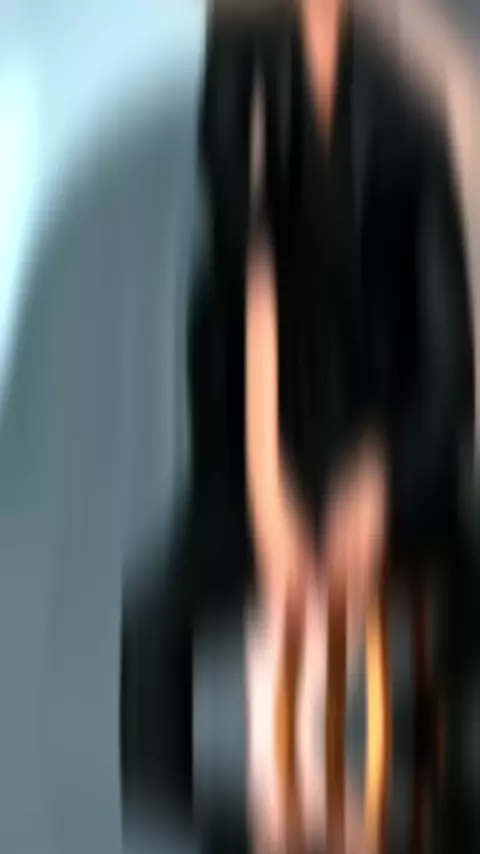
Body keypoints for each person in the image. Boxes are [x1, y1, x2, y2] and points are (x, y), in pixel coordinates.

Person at [121, 0, 475, 849]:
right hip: (258, 476)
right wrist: (265, 495)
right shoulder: (234, 87)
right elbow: (250, 291)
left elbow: (449, 366)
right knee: (151, 641)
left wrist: (380, 488)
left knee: (448, 682)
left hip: (396, 474)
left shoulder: (409, 117)